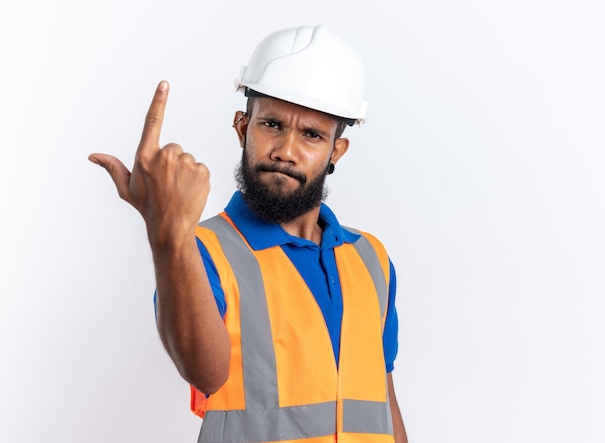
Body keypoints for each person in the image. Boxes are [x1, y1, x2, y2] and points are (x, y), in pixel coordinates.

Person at [89, 25, 408, 443]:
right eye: (272, 124)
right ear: (243, 128)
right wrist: (168, 234)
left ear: (337, 151)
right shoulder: (202, 250)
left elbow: (383, 398)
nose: (286, 151)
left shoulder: (371, 259)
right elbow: (204, 372)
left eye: (312, 135)